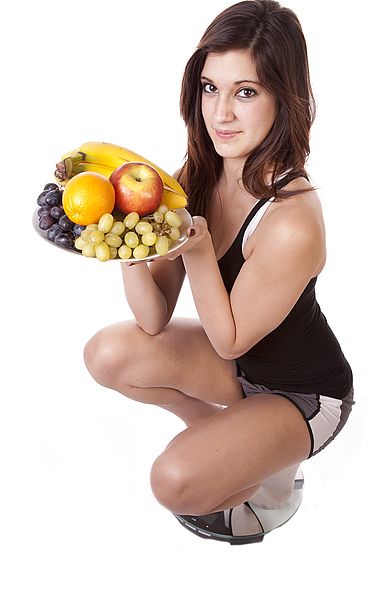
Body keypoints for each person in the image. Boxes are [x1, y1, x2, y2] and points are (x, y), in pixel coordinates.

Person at [83, 0, 354, 521]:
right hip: (238, 374)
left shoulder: (292, 217)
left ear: (284, 98)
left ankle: (274, 474)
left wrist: (200, 249)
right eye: (210, 88)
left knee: (175, 483)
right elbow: (152, 318)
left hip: (305, 395)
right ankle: (228, 441)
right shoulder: (199, 175)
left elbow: (229, 338)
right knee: (107, 353)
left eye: (245, 92)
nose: (220, 113)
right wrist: (127, 245)